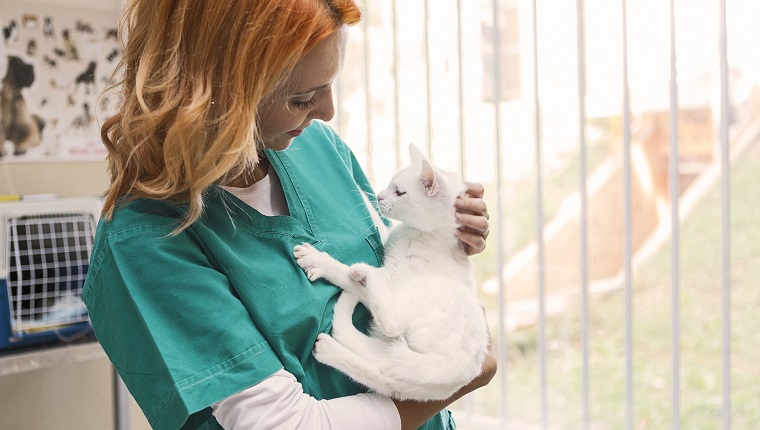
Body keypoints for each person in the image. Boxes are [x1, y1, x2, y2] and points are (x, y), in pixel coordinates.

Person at [82, 1, 497, 429]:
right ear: (217, 89)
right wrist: (459, 377)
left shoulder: (317, 148)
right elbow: (289, 425)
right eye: (302, 98)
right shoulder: (150, 236)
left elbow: (397, 281)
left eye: (330, 84)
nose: (327, 111)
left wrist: (443, 233)